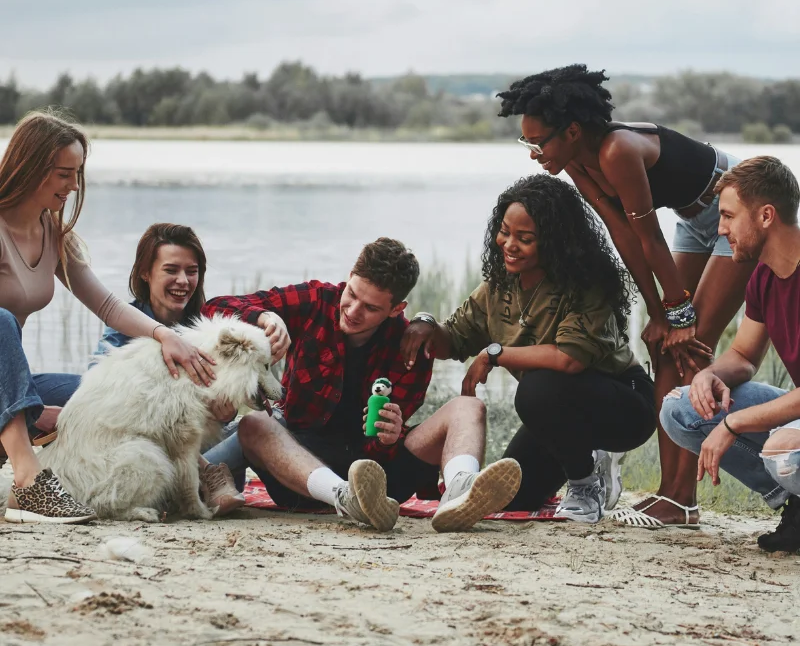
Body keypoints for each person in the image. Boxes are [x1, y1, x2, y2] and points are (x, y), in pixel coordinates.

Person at [496, 64, 752, 528]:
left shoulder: (615, 150)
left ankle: (681, 500)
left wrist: (678, 315)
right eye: (526, 143)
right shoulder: (574, 158)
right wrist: (657, 315)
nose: (534, 153)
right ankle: (671, 494)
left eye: (539, 142)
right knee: (661, 344)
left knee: (690, 347)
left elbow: (649, 237)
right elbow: (623, 234)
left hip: (733, 207)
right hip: (693, 219)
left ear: (572, 130)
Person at [202, 237, 522, 533]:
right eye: (352, 294)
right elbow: (215, 308)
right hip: (303, 471)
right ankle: (345, 498)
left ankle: (461, 493)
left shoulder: (410, 345)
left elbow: (378, 454)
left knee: (469, 406)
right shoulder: (316, 300)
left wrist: (389, 437)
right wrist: (264, 319)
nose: (353, 311)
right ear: (350, 276)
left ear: (397, 309)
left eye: (370, 308)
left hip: (382, 482)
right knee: (254, 424)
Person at [0, 111, 215, 524]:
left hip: (10, 385)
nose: (74, 185)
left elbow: (108, 307)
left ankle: (155, 474)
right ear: (31, 169)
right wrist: (33, 410)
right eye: (65, 173)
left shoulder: (53, 234)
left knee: (100, 395)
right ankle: (28, 482)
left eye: (78, 173)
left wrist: (162, 336)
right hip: (4, 388)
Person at [402, 175, 656, 523]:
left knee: (536, 387)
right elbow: (454, 339)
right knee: (511, 497)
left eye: (525, 238)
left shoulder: (586, 286)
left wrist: (492, 354)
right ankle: (585, 458)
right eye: (504, 231)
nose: (508, 244)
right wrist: (425, 323)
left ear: (554, 242)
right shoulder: (498, 287)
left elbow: (567, 359)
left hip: (623, 406)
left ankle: (586, 485)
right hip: (558, 412)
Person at [661, 157, 800, 551]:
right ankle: (796, 503)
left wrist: (733, 424)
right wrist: (708, 375)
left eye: (727, 216)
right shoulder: (765, 276)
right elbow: (743, 354)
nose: (721, 230)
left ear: (766, 216)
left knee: (783, 448)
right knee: (681, 409)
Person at [90, 222, 274, 516]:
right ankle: (208, 476)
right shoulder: (126, 326)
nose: (183, 281)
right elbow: (97, 389)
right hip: (153, 447)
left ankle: (208, 475)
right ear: (145, 273)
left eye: (192, 271)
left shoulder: (208, 323)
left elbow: (244, 310)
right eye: (171, 270)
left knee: (258, 425)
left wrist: (267, 317)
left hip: (205, 444)